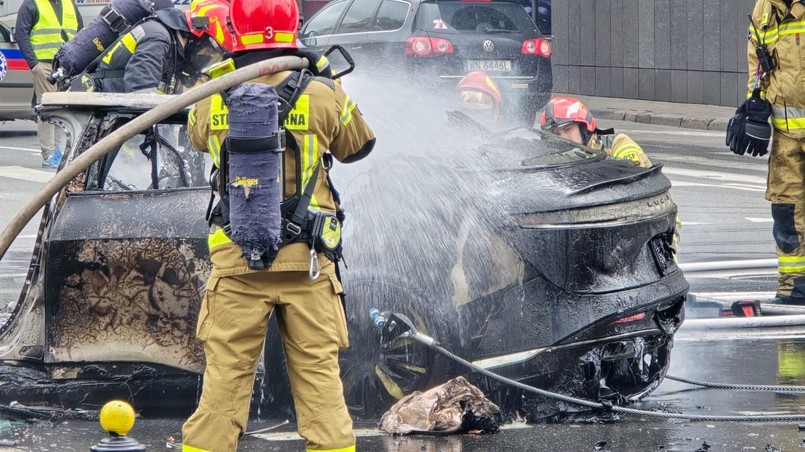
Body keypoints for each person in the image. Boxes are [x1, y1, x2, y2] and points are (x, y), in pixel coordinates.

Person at [180, 0, 375, 450]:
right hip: (307, 263)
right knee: (320, 383)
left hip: (237, 262)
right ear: (295, 27)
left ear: (236, 29)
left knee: (224, 386)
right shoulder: (322, 92)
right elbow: (358, 145)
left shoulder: (213, 92)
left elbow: (194, 137)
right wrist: (325, 76)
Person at [737, 0, 805, 305]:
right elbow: (760, 67)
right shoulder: (764, 9)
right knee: (786, 212)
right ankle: (794, 287)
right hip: (786, 139)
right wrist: (754, 104)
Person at [81, 6, 220, 94]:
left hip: (115, 114)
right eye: (209, 50)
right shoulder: (157, 39)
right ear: (197, 39)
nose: (207, 56)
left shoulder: (173, 46)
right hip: (104, 114)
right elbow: (141, 93)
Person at [14, 0, 83, 167]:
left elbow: (82, 33)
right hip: (44, 65)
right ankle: (49, 153)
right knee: (49, 109)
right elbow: (21, 34)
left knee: (64, 110)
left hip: (68, 67)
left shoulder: (69, 4)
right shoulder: (32, 4)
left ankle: (61, 151)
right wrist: (34, 64)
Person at [539, 96, 652, 168]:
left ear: (584, 128)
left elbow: (634, 173)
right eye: (557, 134)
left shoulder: (612, 142)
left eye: (568, 129)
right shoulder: (550, 160)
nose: (563, 138)